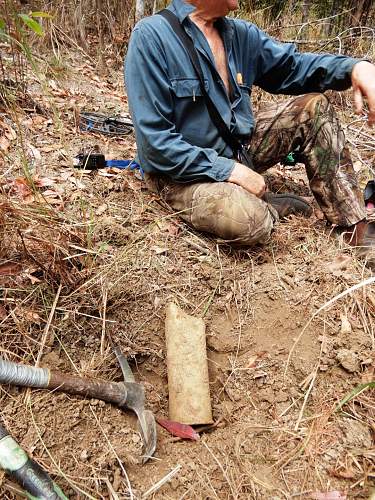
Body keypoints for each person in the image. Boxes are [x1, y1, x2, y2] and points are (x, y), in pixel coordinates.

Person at [125, 0, 375, 263]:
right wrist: (230, 171)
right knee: (248, 219)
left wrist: (355, 68)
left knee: (314, 109)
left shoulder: (240, 35)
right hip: (180, 174)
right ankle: (267, 206)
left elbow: (294, 66)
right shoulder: (151, 37)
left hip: (236, 149)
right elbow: (156, 145)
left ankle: (354, 229)